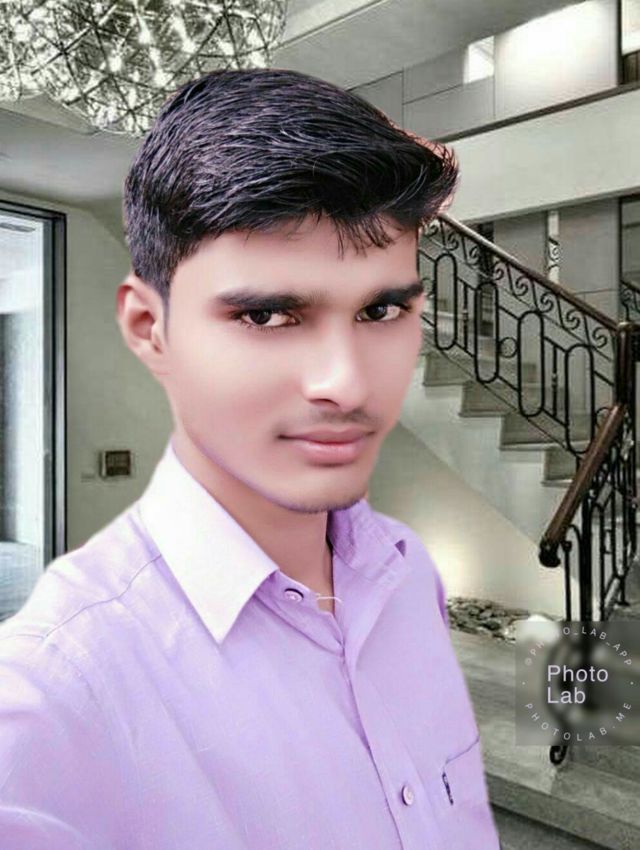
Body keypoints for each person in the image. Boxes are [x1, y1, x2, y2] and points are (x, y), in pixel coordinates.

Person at [0, 68, 501, 849]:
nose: (346, 383)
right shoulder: (58, 690)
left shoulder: (408, 578)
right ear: (151, 329)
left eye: (382, 308)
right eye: (268, 315)